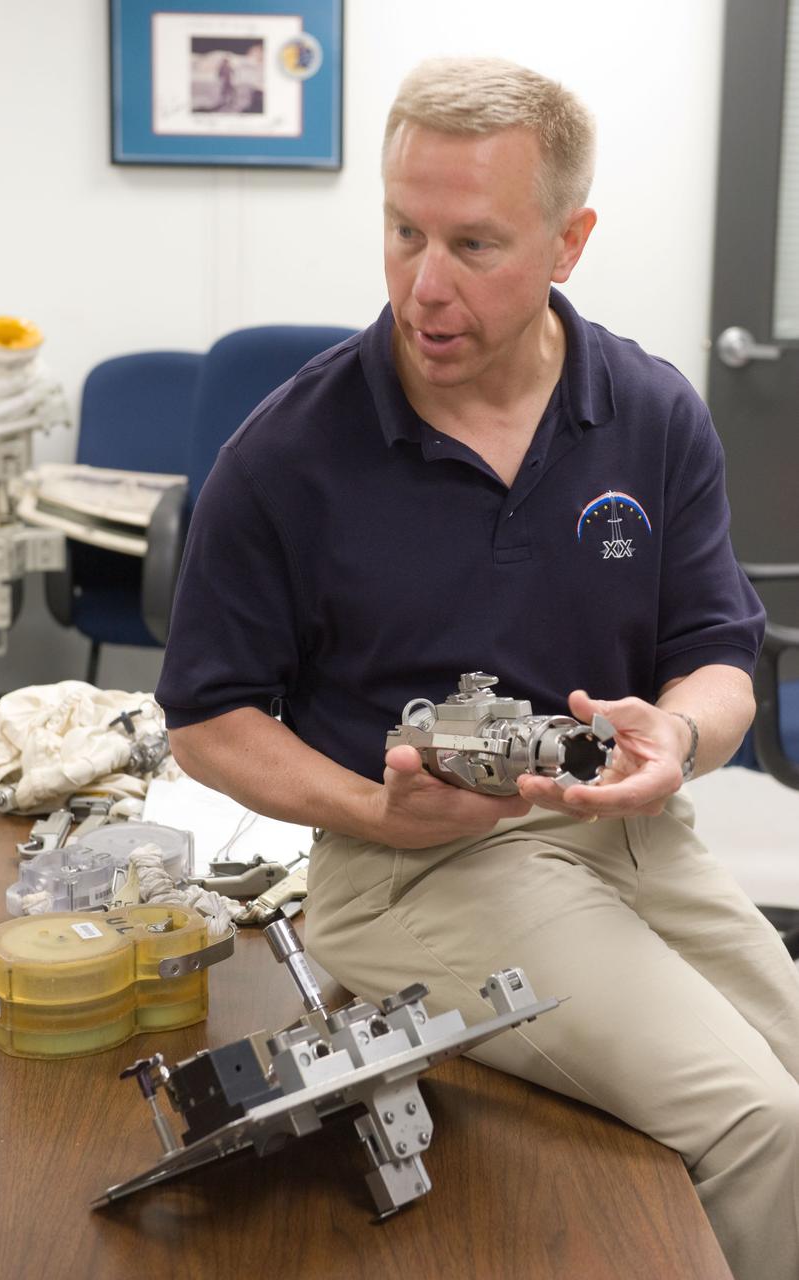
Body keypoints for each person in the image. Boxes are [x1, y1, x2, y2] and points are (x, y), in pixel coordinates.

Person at [156, 58, 799, 1279]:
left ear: (569, 241)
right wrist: (369, 810)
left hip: (626, 832)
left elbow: (715, 656)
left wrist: (679, 738)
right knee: (759, 1122)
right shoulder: (287, 454)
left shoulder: (650, 412)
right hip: (417, 866)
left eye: (472, 244)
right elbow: (205, 712)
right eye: (402, 232)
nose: (424, 286)